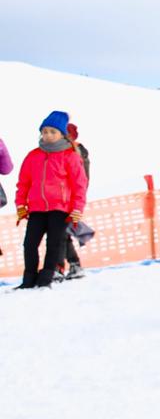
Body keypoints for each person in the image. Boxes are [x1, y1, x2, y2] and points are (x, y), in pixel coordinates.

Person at [13, 111, 89, 289]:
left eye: (52, 132)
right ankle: (28, 279)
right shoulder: (33, 156)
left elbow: (79, 185)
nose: (47, 135)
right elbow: (23, 183)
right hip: (37, 208)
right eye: (45, 131)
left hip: (60, 208)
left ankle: (46, 278)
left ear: (62, 134)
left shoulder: (70, 156)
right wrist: (21, 204)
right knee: (29, 244)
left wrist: (77, 208)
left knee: (54, 243)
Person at [57, 122, 93, 280]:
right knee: (62, 233)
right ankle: (74, 265)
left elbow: (81, 180)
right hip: (61, 198)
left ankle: (59, 268)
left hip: (67, 199)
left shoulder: (75, 152)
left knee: (58, 233)